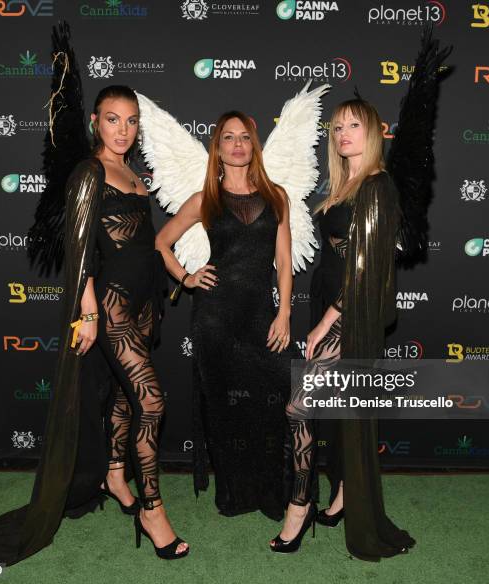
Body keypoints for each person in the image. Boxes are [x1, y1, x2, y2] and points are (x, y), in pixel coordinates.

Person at [0, 26, 188, 564]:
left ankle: (113, 476)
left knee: (123, 404)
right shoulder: (89, 172)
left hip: (141, 305)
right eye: (113, 119)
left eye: (131, 122)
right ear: (95, 122)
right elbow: (79, 247)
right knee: (151, 398)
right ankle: (152, 509)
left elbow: (138, 245)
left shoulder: (131, 173)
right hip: (106, 308)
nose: (123, 130)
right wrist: (86, 313)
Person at [272, 27, 450, 558]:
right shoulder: (341, 188)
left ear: (372, 133)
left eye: (354, 125)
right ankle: (345, 490)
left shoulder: (376, 187)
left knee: (299, 409)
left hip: (348, 313)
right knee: (343, 409)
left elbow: (366, 268)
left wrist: (326, 320)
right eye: (338, 126)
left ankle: (299, 507)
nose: (343, 133)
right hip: (330, 304)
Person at [155, 111, 297, 521]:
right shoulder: (206, 199)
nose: (237, 145)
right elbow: (161, 242)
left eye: (244, 138)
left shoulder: (277, 196)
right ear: (217, 147)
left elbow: (284, 262)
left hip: (261, 314)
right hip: (215, 317)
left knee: (272, 404)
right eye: (228, 138)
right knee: (225, 410)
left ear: (254, 145)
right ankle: (234, 494)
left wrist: (284, 312)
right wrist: (187, 277)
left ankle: (272, 494)